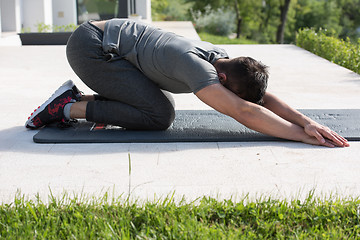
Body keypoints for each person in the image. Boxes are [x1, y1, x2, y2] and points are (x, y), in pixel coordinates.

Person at [25, 19, 349, 148]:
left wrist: (307, 122)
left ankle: (77, 97)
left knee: (155, 106)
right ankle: (67, 107)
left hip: (113, 47)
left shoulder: (221, 59)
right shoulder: (199, 69)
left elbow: (259, 100)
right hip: (91, 48)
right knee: (159, 115)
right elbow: (243, 112)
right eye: (227, 90)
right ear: (221, 79)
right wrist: (301, 137)